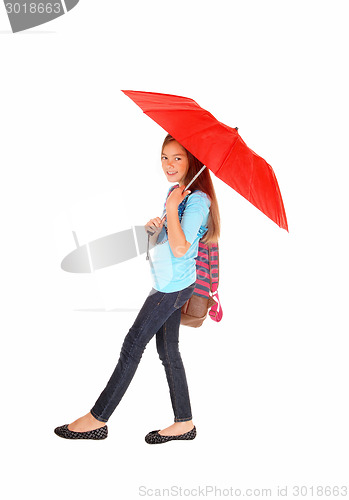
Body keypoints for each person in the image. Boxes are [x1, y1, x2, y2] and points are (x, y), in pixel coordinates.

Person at [54, 134, 220, 443]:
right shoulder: (177, 192)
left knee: (132, 345)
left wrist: (172, 207)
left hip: (172, 288)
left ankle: (97, 418)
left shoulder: (196, 200)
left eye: (177, 158)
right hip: (166, 283)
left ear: (193, 160)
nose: (169, 164)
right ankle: (184, 422)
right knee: (168, 350)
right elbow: (168, 243)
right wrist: (154, 231)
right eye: (164, 157)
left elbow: (183, 249)